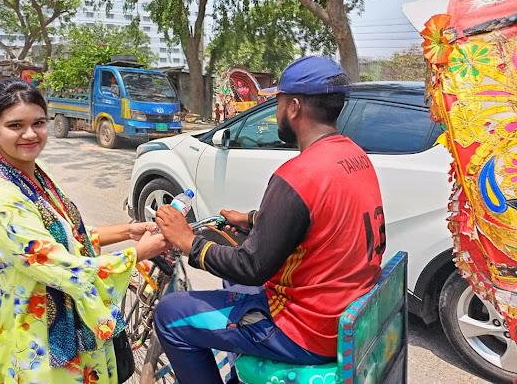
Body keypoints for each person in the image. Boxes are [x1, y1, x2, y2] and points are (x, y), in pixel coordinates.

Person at [153, 56, 386, 383]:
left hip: (306, 331)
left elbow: (252, 266)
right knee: (231, 284)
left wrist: (188, 241)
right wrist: (251, 219)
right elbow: (325, 219)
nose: (275, 112)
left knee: (169, 314)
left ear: (293, 107)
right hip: (344, 314)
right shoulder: (355, 157)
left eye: (276, 102)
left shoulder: (298, 175)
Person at [0, 78, 169, 384]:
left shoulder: (31, 175)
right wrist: (140, 252)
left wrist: (127, 231)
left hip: (54, 331)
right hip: (36, 345)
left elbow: (64, 238)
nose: (30, 134)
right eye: (15, 125)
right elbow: (62, 267)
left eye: (39, 123)